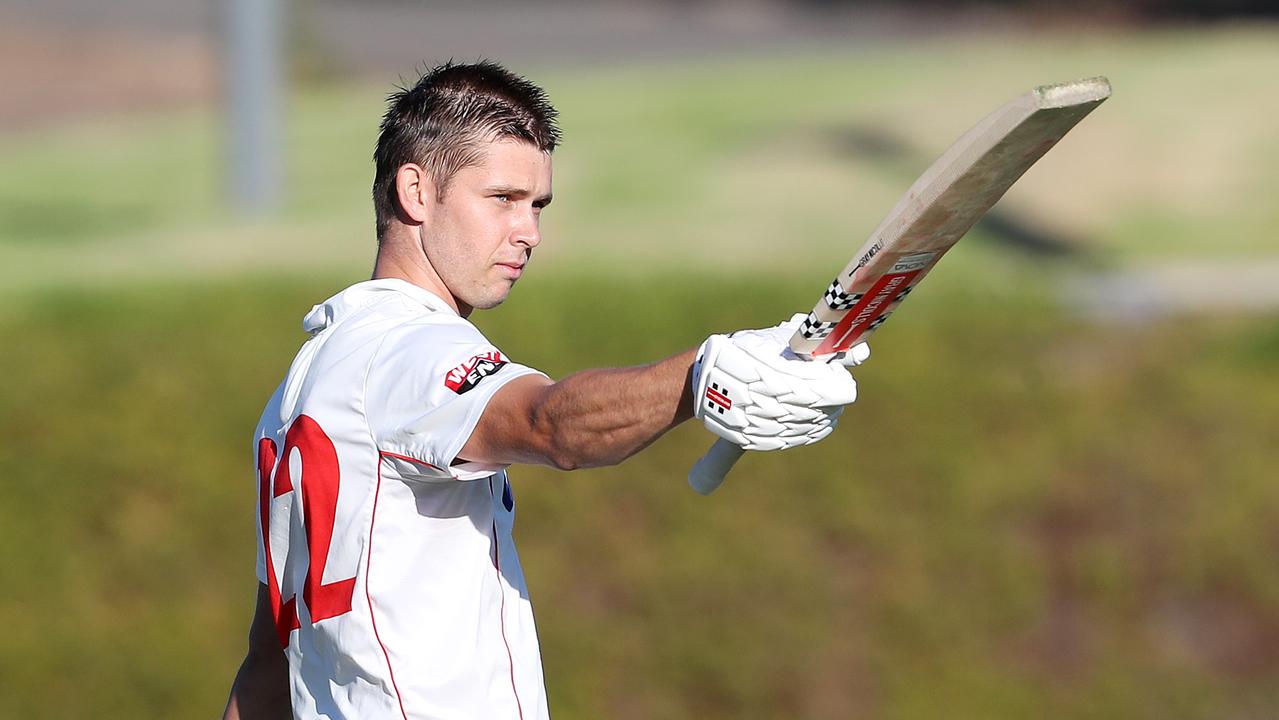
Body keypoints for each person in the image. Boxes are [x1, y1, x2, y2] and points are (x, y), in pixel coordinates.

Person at [222, 61, 866, 720]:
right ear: (415, 191)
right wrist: (704, 374)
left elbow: (269, 663)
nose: (527, 231)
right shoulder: (409, 350)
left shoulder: (304, 382)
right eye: (501, 198)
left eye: (537, 206)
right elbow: (548, 424)